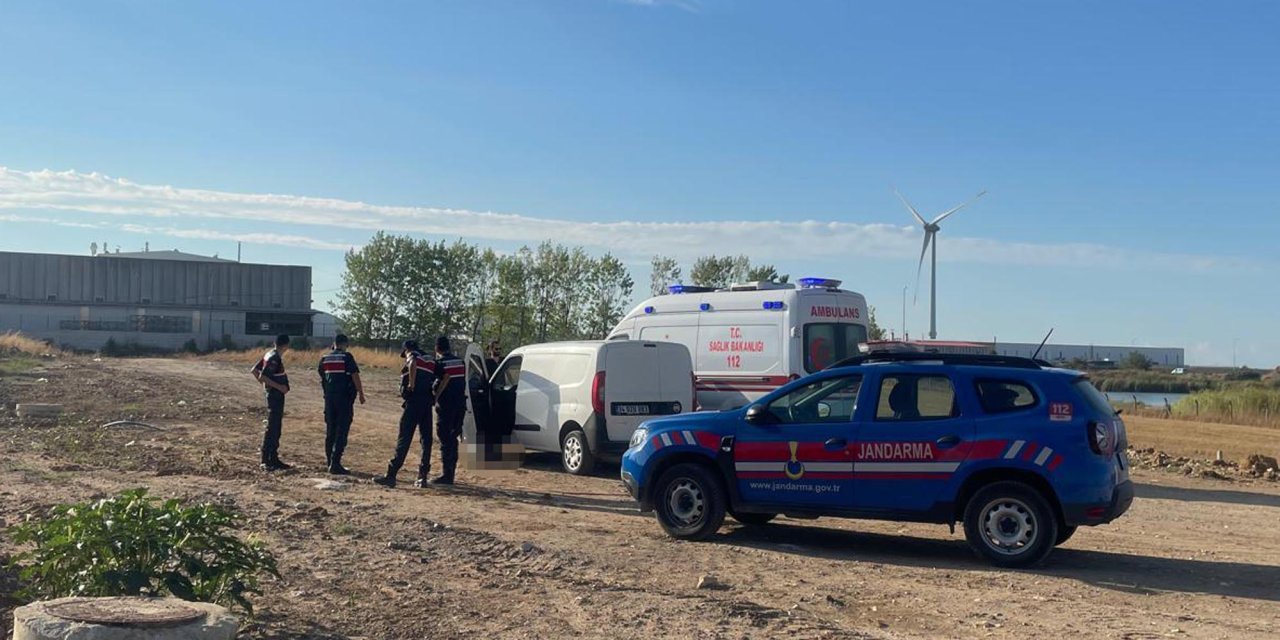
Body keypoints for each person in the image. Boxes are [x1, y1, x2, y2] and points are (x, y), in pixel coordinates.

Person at [375, 340, 436, 488]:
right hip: (427, 404)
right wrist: (435, 396)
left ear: (407, 349)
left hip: (413, 403)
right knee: (426, 440)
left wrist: (411, 384)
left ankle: (391, 475)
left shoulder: (413, 355)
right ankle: (423, 477)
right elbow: (442, 377)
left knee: (404, 439)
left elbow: (412, 363)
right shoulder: (430, 359)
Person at [317, 334, 365, 475]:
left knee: (330, 429)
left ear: (334, 343)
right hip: (344, 398)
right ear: (345, 344)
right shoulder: (347, 357)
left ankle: (329, 461)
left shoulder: (324, 358)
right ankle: (336, 463)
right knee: (342, 429)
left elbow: (322, 377)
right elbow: (355, 375)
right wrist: (361, 393)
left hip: (329, 398)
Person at [250, 334, 292, 471]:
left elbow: (254, 371)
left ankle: (273, 457)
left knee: (275, 426)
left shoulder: (269, 354)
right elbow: (262, 376)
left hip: (273, 394)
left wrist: (266, 387)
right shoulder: (274, 358)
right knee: (273, 427)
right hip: (275, 395)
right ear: (286, 345)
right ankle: (267, 459)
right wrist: (277, 387)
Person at [431, 336, 467, 485]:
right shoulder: (461, 362)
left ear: (437, 348)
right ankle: (451, 473)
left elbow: (437, 384)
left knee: (445, 438)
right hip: (460, 406)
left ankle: (446, 475)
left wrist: (434, 396)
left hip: (446, 406)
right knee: (453, 438)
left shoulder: (440, 363)